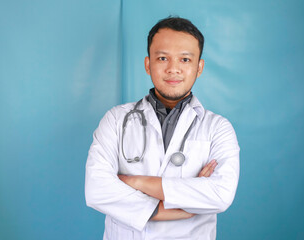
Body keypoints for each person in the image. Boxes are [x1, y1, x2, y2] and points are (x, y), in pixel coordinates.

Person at [85, 16, 240, 240]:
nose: (173, 69)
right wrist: (174, 208)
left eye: (185, 60)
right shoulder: (116, 120)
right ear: (148, 64)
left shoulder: (218, 128)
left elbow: (220, 194)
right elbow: (97, 190)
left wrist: (135, 182)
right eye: (162, 58)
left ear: (199, 67)